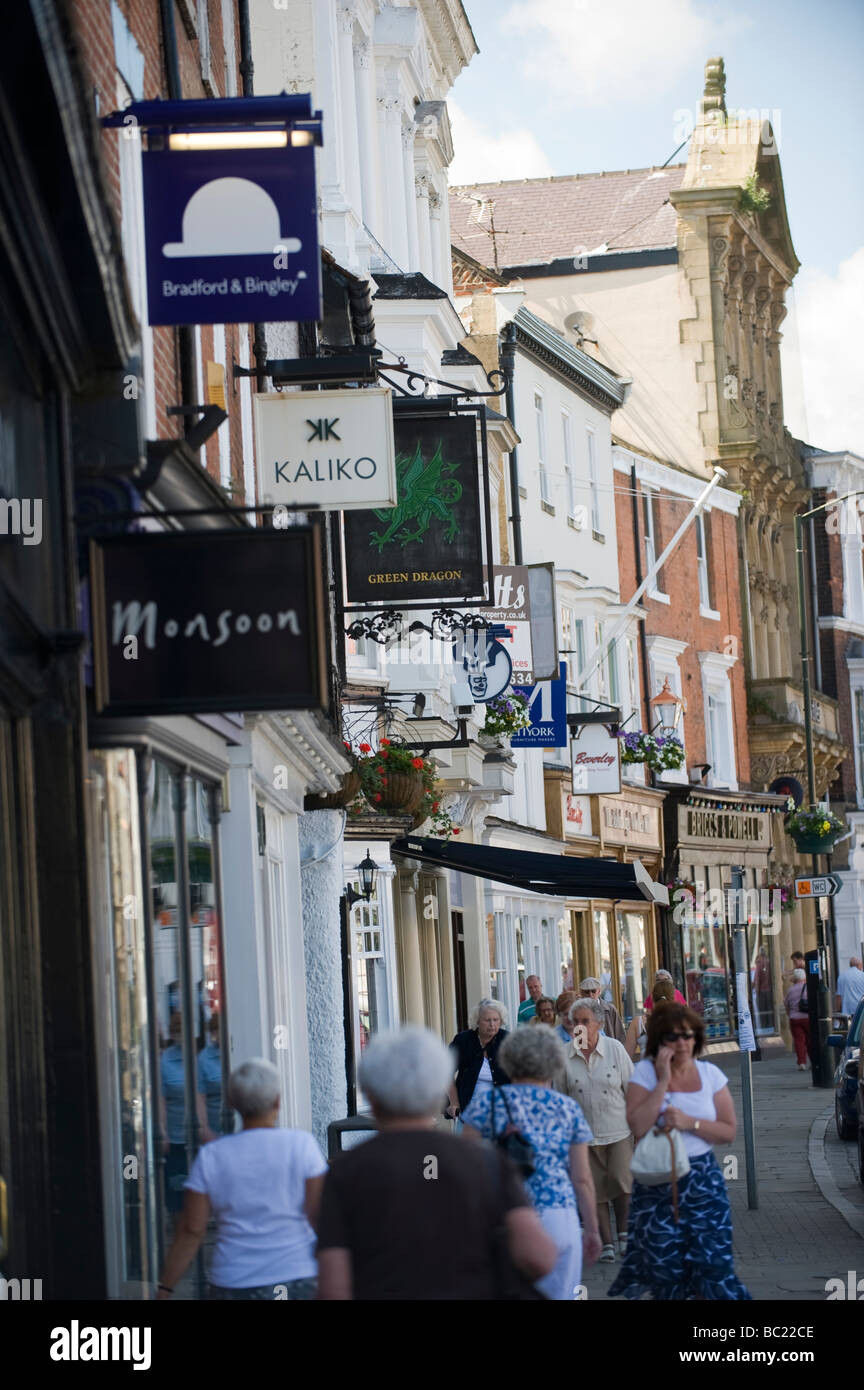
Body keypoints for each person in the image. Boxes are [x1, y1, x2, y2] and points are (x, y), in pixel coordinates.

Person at [317, 1027, 557, 1300]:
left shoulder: (345, 1173)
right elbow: (539, 1258)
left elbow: (332, 1290)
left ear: (370, 1095)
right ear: (437, 1091)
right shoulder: (487, 1163)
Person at [608, 1003, 751, 1301]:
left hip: (702, 1181)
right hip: (658, 1184)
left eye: (688, 1035)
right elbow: (637, 1125)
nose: (682, 1043)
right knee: (666, 1272)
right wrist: (662, 1083)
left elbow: (728, 1131)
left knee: (714, 1267)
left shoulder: (710, 1074)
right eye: (673, 1036)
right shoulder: (645, 1073)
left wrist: (690, 1122)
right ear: (660, 1040)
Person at [155, 1059, 327, 1300]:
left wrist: (165, 1288)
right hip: (296, 1276)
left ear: (232, 1103)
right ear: (278, 1100)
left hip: (233, 1281)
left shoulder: (212, 1156)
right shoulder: (302, 1145)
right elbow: (319, 1215)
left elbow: (192, 1230)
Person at [462, 1023, 602, 1299]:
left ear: (509, 1059)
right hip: (559, 1214)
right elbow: (582, 1178)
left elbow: (464, 1166)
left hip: (505, 1215)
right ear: (553, 1062)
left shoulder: (487, 1103)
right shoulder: (567, 1109)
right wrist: (593, 1230)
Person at [563, 997, 634, 1262]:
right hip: (583, 1137)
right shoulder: (564, 1055)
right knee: (594, 1190)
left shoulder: (615, 1049)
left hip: (619, 1131)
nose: (579, 1027)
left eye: (585, 1021)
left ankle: (625, 1234)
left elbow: (633, 1089)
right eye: (575, 1022)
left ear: (599, 1024)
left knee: (621, 1182)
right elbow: (559, 1097)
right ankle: (606, 1243)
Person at [159, 1013, 214, 1223]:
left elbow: (201, 1096)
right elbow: (160, 1100)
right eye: (179, 1032)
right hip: (175, 1136)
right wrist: (162, 1131)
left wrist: (204, 1126)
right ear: (174, 1035)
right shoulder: (164, 1062)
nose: (184, 1037)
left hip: (196, 1136)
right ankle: (180, 1225)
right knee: (176, 1188)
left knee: (198, 1188)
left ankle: (195, 1227)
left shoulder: (198, 1060)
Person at [446, 999, 509, 1119]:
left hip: (501, 1112)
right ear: (477, 1021)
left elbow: (520, 1075)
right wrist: (454, 1102)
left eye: (496, 1020)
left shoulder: (507, 1040)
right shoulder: (463, 1041)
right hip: (469, 1110)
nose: (492, 1024)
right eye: (487, 1020)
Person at [624, 979, 675, 1060]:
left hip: (646, 1071)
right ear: (673, 998)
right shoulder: (681, 1021)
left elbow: (626, 1059)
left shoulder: (639, 1022)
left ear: (652, 998)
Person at [197, 1014, 226, 1136]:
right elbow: (199, 1097)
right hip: (215, 1130)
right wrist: (205, 1129)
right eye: (217, 1030)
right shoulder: (204, 1058)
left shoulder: (238, 1051)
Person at [578, 977, 626, 1044]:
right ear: (581, 993)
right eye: (587, 992)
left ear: (599, 991)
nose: (590, 995)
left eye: (593, 991)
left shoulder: (610, 1009)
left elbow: (620, 1034)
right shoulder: (577, 1012)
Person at [784, 969, 810, 1071]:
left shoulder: (790, 990)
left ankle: (802, 1062)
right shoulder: (808, 988)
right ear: (804, 978)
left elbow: (787, 1005)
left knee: (799, 1041)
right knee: (810, 1040)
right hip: (807, 1018)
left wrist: (790, 1014)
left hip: (794, 1018)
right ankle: (813, 1061)